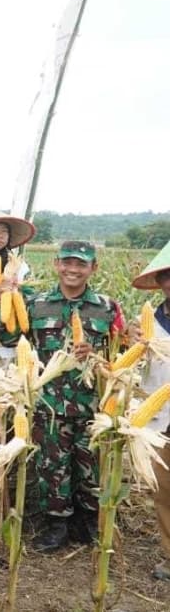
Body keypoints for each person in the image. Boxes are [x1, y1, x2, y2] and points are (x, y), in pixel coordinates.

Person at [0, 241, 124, 552]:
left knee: (90, 464)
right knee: (52, 465)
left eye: (81, 264)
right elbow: (11, 337)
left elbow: (121, 354)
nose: (73, 269)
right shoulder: (36, 304)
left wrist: (96, 355)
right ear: (56, 264)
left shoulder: (107, 308)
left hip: (93, 404)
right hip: (48, 403)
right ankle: (57, 525)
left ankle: (87, 521)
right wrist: (4, 299)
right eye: (67, 262)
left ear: (93, 268)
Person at [131, 242, 170, 579]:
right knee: (164, 490)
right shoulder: (146, 325)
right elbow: (128, 368)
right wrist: (128, 345)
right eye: (168, 277)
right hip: (160, 419)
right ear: (160, 283)